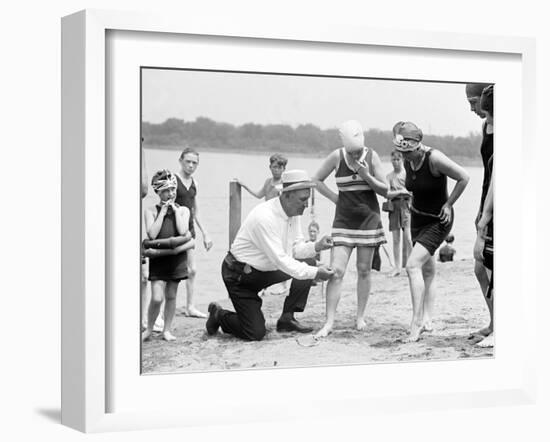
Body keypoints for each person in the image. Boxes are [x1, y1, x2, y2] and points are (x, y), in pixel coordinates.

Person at [205, 170, 335, 341]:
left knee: (308, 261)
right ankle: (219, 315)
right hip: (239, 276)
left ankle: (287, 318)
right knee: (255, 333)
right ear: (287, 195)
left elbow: (296, 249)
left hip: (265, 270)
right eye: (303, 200)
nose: (306, 205)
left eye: (307, 200)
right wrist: (316, 272)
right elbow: (282, 260)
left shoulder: (293, 212)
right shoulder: (264, 217)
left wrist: (317, 246)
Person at [393, 121, 470, 342]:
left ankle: (416, 321)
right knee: (427, 271)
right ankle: (428, 318)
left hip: (438, 221)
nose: (405, 156)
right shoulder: (408, 161)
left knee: (411, 265)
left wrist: (448, 204)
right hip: (417, 217)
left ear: (418, 146)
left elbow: (464, 177)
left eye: (408, 152)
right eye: (402, 152)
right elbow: (415, 187)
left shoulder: (434, 158)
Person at [312, 120, 388, 338]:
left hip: (368, 222)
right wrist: (336, 198)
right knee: (336, 272)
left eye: (357, 152)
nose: (355, 156)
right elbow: (316, 180)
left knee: (364, 270)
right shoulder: (337, 156)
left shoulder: (371, 156)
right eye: (351, 152)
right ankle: (329, 322)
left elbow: (386, 190)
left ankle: (360, 316)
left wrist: (367, 176)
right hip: (343, 222)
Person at [142, 170, 195, 342]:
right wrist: (163, 212)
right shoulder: (150, 210)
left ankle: (166, 329)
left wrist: (174, 211)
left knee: (171, 295)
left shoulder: (184, 210)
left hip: (176, 259)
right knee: (157, 297)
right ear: (157, 192)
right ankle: (149, 329)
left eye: (172, 189)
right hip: (158, 259)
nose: (170, 194)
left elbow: (183, 231)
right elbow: (151, 234)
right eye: (165, 190)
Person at [465, 83, 494, 339]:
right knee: (480, 269)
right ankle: (495, 322)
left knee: (492, 267)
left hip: (497, 205)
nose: (472, 108)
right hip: (486, 200)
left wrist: (487, 215)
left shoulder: (506, 127)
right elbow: (487, 175)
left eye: (474, 102)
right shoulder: (485, 127)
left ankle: (500, 326)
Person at [174, 148, 213, 318]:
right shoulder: (173, 180)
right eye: (188, 161)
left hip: (189, 232)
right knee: (169, 274)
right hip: (173, 231)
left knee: (192, 270)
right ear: (181, 160)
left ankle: (190, 307)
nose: (191, 165)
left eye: (194, 163)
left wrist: (205, 233)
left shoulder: (195, 183)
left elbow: (196, 211)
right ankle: (159, 314)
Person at [384, 148, 413, 276]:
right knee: (396, 239)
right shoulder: (389, 176)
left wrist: (407, 195)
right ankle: (397, 267)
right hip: (394, 207)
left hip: (406, 206)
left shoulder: (406, 174)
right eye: (394, 159)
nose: (396, 162)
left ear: (402, 160)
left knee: (408, 238)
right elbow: (387, 193)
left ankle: (411, 265)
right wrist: (400, 191)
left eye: (398, 159)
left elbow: (412, 191)